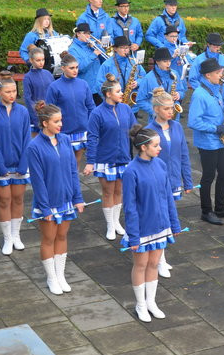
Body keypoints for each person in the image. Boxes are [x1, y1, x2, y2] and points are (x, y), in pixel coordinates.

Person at [121, 125, 181, 322]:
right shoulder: (131, 171)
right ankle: (140, 305)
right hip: (142, 228)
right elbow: (129, 207)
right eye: (156, 145)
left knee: (154, 263)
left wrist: (174, 223)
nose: (160, 148)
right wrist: (134, 235)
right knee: (141, 265)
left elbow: (168, 198)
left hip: (160, 225)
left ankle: (151, 302)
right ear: (144, 147)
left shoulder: (161, 165)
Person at [27, 103, 85, 295]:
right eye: (56, 121)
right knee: (48, 239)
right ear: (45, 123)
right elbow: (38, 180)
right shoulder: (34, 147)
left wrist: (77, 197)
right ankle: (51, 278)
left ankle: (60, 275)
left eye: (61, 120)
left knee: (62, 236)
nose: (61, 124)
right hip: (48, 202)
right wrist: (45, 208)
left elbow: (72, 171)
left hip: (66, 199)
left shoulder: (66, 140)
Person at [188, 58, 224, 225]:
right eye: (218, 73)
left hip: (217, 140)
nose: (221, 75)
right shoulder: (199, 94)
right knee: (208, 176)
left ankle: (220, 207)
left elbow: (215, 109)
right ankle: (206, 211)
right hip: (207, 141)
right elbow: (193, 122)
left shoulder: (215, 89)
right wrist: (215, 128)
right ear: (208, 75)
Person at [85, 74, 137, 240]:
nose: (122, 93)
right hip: (105, 159)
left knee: (119, 191)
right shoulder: (97, 113)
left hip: (124, 157)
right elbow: (92, 138)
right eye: (118, 91)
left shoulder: (126, 109)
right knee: (108, 192)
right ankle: (109, 225)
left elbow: (135, 130)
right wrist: (90, 162)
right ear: (108, 94)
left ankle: (116, 222)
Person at [147, 88, 192, 277]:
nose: (171, 112)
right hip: (157, 181)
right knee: (161, 219)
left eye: (172, 108)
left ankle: (161, 257)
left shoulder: (177, 127)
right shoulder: (149, 130)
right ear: (156, 109)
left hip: (173, 180)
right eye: (166, 109)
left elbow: (184, 154)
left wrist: (187, 181)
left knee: (168, 216)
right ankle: (160, 260)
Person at [0, 71, 30, 255]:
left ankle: (16, 235)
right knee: (4, 201)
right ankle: (7, 238)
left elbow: (27, 139)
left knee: (18, 199)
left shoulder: (23, 111)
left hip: (19, 165)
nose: (12, 95)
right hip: (0, 165)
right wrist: (0, 166)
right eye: (8, 92)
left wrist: (24, 164)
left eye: (14, 91)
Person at [45, 52, 95, 166]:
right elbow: (49, 110)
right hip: (63, 131)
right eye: (71, 68)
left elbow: (91, 106)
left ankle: (74, 182)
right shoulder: (54, 86)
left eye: (77, 67)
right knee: (64, 162)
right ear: (63, 68)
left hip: (82, 130)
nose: (75, 70)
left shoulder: (83, 84)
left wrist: (91, 125)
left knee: (76, 162)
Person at [95, 36, 145, 115]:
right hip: (113, 106)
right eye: (122, 48)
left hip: (132, 107)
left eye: (127, 48)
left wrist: (138, 82)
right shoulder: (107, 65)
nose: (126, 50)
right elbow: (99, 85)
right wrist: (111, 97)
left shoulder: (134, 62)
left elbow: (144, 77)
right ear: (115, 49)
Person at [138, 47, 186, 122]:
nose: (168, 64)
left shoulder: (175, 74)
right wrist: (156, 112)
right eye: (165, 61)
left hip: (173, 116)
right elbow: (140, 100)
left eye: (169, 61)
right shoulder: (148, 78)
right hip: (157, 119)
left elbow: (182, 91)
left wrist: (179, 94)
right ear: (157, 61)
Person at [68, 22, 104, 104]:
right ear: (78, 34)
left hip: (97, 87)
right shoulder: (73, 49)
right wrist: (93, 55)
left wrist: (101, 49)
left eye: (89, 34)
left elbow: (104, 62)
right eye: (85, 33)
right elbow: (79, 68)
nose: (88, 36)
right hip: (85, 89)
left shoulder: (91, 46)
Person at [24, 46, 55, 137]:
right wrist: (36, 118)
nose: (41, 62)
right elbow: (28, 98)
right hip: (36, 115)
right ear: (31, 60)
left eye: (43, 59)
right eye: (38, 60)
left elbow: (53, 93)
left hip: (50, 113)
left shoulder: (48, 74)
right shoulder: (28, 77)